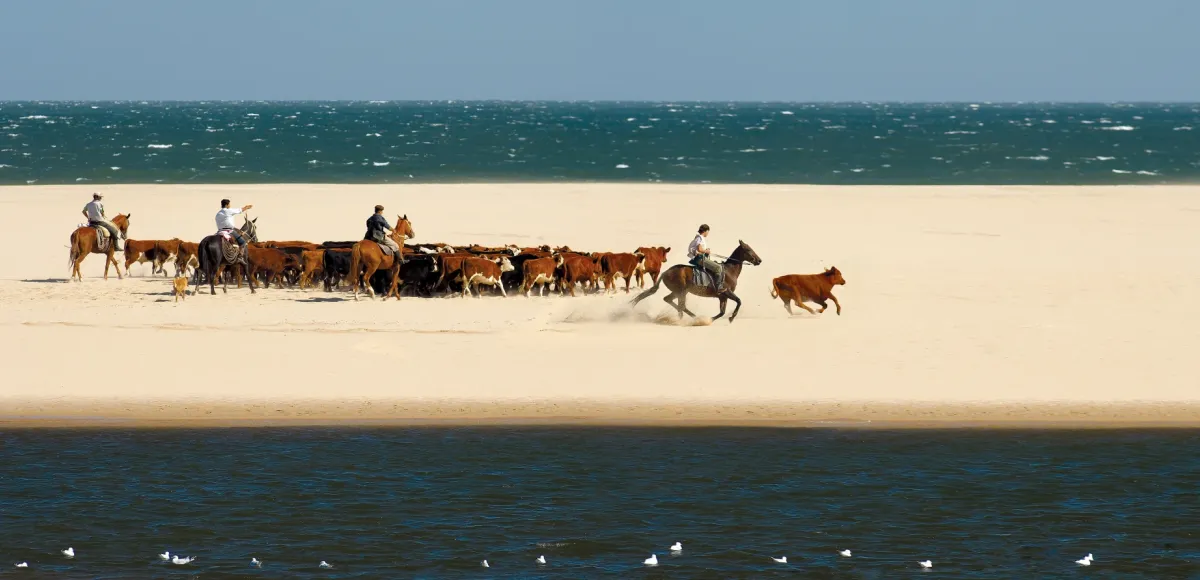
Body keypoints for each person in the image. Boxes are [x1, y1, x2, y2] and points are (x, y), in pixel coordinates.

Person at [688, 223, 723, 290]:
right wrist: (706, 251)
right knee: (718, 267)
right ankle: (718, 287)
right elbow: (699, 249)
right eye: (708, 231)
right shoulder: (700, 238)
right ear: (705, 231)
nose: (708, 233)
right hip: (700, 259)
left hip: (700, 257)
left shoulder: (698, 238)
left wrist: (706, 250)